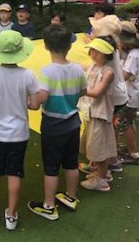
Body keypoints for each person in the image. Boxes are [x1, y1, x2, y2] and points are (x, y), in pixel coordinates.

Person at [0, 31, 39, 230]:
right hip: (19, 133)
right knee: (14, 172)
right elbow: (35, 104)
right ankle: (11, 215)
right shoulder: (28, 75)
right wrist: (22, 103)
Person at [27, 25, 87, 221]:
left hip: (53, 125)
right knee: (71, 163)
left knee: (51, 166)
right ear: (69, 46)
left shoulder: (47, 71)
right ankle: (71, 196)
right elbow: (83, 91)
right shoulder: (77, 68)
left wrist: (30, 101)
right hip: (73, 122)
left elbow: (42, 97)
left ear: (45, 46)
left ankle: (49, 206)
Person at [79, 37, 117, 192]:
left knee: (100, 147)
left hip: (100, 114)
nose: (93, 54)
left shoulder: (108, 72)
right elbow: (80, 66)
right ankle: (100, 173)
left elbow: (96, 92)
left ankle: (101, 179)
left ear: (106, 54)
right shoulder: (94, 66)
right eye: (92, 50)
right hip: (91, 112)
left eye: (98, 51)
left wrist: (78, 90)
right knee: (94, 145)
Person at [118, 21, 139, 165]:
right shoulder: (136, 51)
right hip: (133, 95)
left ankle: (134, 155)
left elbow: (125, 75)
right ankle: (131, 149)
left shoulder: (134, 55)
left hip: (128, 96)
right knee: (130, 122)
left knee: (124, 124)